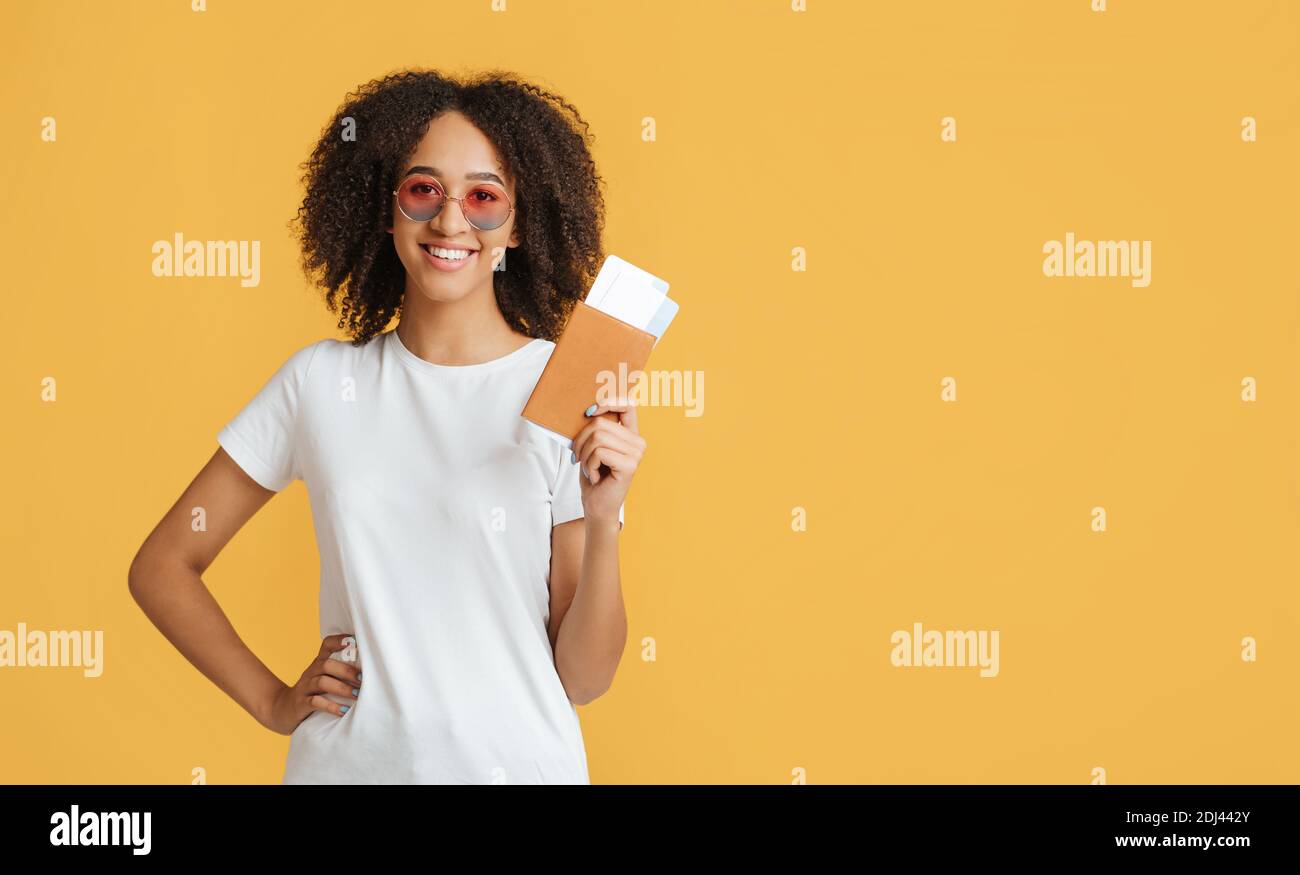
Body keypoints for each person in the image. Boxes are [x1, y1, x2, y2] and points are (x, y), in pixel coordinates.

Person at [128, 69, 644, 784]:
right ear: (386, 208)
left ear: (519, 226)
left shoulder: (563, 387)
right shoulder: (318, 384)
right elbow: (162, 566)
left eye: (484, 197)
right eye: (423, 189)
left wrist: (605, 516)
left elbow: (584, 679)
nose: (451, 221)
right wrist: (272, 700)